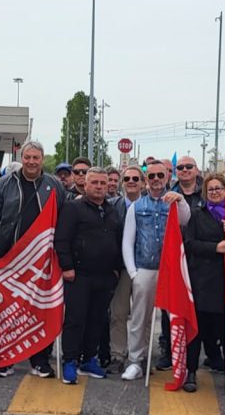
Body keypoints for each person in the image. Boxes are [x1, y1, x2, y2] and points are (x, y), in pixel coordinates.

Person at [0, 141, 66, 378]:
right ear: (22, 157)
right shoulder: (4, 184)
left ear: (42, 159)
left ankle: (40, 360)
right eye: (27, 157)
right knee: (8, 310)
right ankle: (5, 358)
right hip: (8, 258)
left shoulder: (54, 185)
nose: (31, 162)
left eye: (36, 158)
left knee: (39, 310)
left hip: (41, 260)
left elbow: (65, 221)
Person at [119, 160, 189, 381]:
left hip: (171, 271)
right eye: (151, 176)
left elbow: (186, 220)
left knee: (177, 317)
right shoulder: (136, 207)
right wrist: (133, 273)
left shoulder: (175, 203)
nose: (156, 180)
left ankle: (180, 361)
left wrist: (181, 200)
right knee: (140, 317)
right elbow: (127, 241)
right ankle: (136, 361)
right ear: (145, 180)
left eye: (160, 175)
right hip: (145, 269)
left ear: (167, 177)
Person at [55, 169, 124, 385]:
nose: (99, 186)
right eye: (94, 182)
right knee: (76, 319)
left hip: (104, 275)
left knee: (97, 319)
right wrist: (67, 266)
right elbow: (62, 239)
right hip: (78, 274)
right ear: (85, 185)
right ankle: (70, 361)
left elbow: (118, 239)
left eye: (103, 183)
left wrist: (116, 269)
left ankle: (89, 359)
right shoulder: (73, 208)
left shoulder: (112, 210)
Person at [182, 173, 225, 391]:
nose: (214, 192)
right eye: (210, 189)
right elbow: (189, 244)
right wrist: (215, 247)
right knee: (197, 328)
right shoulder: (197, 215)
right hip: (202, 280)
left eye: (218, 188)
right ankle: (191, 372)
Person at [103, 166, 145, 373]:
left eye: (135, 178)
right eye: (127, 178)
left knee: (142, 314)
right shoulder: (110, 206)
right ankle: (117, 355)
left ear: (142, 183)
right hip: (120, 268)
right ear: (121, 182)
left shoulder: (152, 205)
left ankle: (140, 356)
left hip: (145, 267)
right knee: (118, 314)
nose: (131, 181)